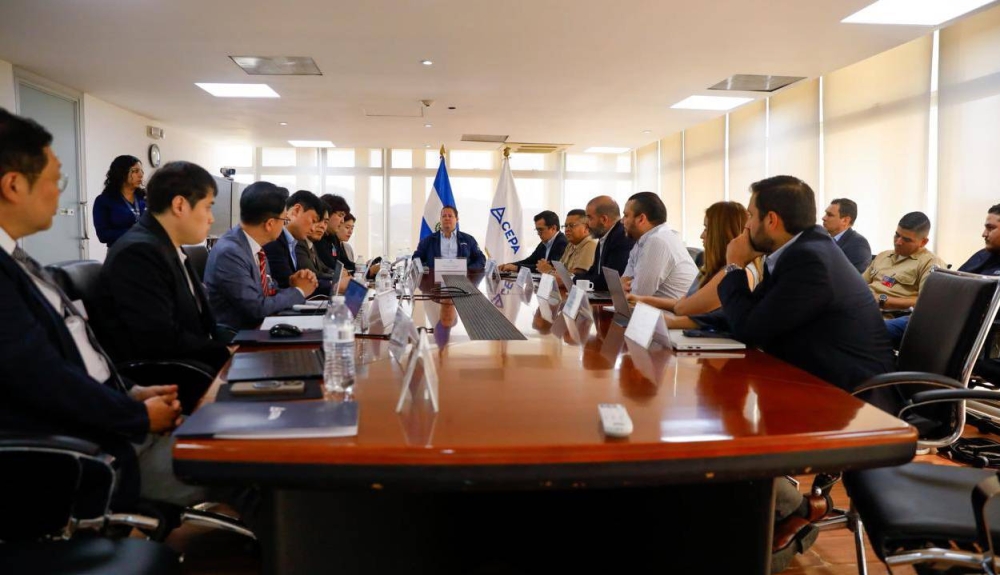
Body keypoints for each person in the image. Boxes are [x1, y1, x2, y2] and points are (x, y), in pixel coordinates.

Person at [0, 108, 194, 509]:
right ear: (14, 185)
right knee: (261, 475)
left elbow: (75, 359)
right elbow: (42, 379)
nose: (60, 193)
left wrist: (131, 391)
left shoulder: (19, 261)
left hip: (113, 418)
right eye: (56, 180)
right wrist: (137, 416)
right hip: (92, 450)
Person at [716, 175, 896, 571]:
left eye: (750, 216)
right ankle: (781, 506)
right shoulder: (799, 250)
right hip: (816, 375)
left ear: (772, 220)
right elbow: (755, 314)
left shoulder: (809, 259)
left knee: (723, 417)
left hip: (851, 396)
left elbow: (750, 327)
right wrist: (692, 323)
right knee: (722, 406)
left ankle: (791, 509)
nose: (746, 225)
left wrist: (733, 266)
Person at [92, 161, 230, 377]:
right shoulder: (139, 253)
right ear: (179, 205)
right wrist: (227, 353)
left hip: (198, 362)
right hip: (173, 377)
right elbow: (161, 340)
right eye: (207, 207)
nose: (211, 218)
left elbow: (198, 325)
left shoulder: (166, 245)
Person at [204, 181, 318, 332]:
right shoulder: (230, 252)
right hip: (237, 336)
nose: (284, 225)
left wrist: (292, 285)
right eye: (284, 220)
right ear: (270, 224)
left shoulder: (253, 246)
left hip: (256, 327)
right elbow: (257, 308)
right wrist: (299, 291)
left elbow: (268, 292)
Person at [628, 201, 760, 328]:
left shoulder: (734, 272)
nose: (702, 235)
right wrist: (643, 300)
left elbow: (683, 308)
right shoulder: (719, 268)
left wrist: (672, 318)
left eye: (706, 229)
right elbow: (685, 302)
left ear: (721, 234)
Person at [885, 204, 1000, 345]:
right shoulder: (983, 255)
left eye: (990, 228)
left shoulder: (929, 261)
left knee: (872, 330)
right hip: (935, 316)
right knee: (868, 328)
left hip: (959, 326)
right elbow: (952, 286)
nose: (984, 234)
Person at [862, 211, 945, 313]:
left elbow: (928, 302)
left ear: (923, 242)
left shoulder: (930, 263)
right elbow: (860, 285)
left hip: (888, 316)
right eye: (897, 235)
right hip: (861, 308)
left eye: (906, 240)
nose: (898, 242)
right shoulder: (883, 256)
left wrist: (882, 300)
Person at [619, 191, 697, 298]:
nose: (622, 221)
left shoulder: (658, 241)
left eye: (626, 215)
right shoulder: (641, 242)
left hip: (674, 309)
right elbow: (623, 282)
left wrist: (625, 288)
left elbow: (638, 295)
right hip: (652, 307)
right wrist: (624, 287)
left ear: (641, 219)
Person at [262, 189, 333, 292]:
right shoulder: (275, 241)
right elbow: (286, 283)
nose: (313, 228)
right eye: (313, 221)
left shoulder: (292, 242)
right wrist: (335, 285)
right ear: (296, 211)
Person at [574, 195, 636, 291]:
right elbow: (593, 272)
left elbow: (609, 281)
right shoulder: (604, 237)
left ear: (604, 219)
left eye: (590, 218)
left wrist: (572, 280)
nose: (587, 224)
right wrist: (572, 278)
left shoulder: (621, 238)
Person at [93, 154, 146, 247]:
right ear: (122, 173)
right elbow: (103, 236)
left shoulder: (145, 198)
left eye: (141, 171)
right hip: (120, 252)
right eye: (135, 171)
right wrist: (134, 232)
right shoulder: (104, 201)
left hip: (147, 251)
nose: (141, 175)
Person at [412, 205, 486, 270]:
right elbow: (416, 258)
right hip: (434, 280)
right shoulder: (428, 240)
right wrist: (427, 270)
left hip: (462, 279)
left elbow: (481, 259)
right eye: (444, 216)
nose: (447, 218)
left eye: (450, 216)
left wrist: (468, 270)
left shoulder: (469, 240)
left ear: (457, 219)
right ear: (440, 219)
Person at [498, 210, 567, 273]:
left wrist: (516, 268)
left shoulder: (562, 243)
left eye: (541, 230)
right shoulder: (544, 242)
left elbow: (548, 268)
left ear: (553, 228)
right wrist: (510, 265)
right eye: (537, 230)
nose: (538, 233)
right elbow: (530, 260)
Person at [538, 209, 596, 277]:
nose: (567, 229)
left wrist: (549, 271)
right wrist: (548, 268)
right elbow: (560, 270)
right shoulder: (571, 244)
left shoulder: (590, 243)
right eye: (565, 226)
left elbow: (577, 275)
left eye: (571, 225)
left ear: (586, 228)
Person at [821, 198, 871, 273]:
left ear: (845, 220)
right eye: (825, 214)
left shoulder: (858, 244)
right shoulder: (824, 240)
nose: (824, 218)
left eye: (830, 215)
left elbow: (853, 277)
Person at [295, 202, 338, 281]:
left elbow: (324, 268)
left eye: (325, 222)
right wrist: (338, 277)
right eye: (318, 220)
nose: (322, 226)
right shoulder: (299, 244)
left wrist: (337, 273)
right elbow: (315, 274)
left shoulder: (311, 244)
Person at [316, 193, 351, 272]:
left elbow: (345, 263)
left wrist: (367, 269)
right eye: (340, 215)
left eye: (344, 217)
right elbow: (330, 266)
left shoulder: (333, 238)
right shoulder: (316, 238)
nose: (342, 221)